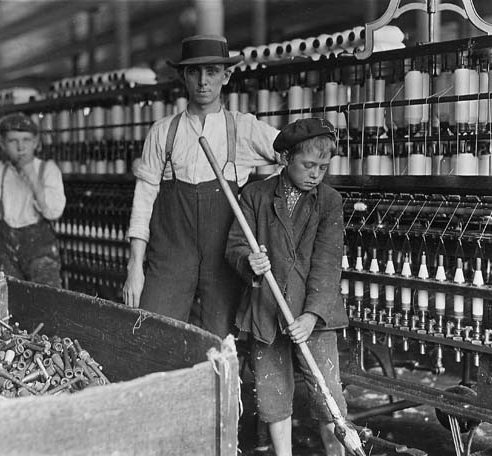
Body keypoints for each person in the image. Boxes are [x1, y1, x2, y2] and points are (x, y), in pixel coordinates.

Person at [122, 34, 280, 338]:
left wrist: (261, 193)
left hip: (223, 258)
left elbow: (294, 152)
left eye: (211, 72)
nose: (203, 82)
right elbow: (143, 202)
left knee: (220, 343)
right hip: (171, 255)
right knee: (153, 332)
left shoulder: (243, 128)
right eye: (194, 72)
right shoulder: (162, 132)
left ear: (226, 75)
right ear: (183, 76)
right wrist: (134, 268)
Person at [225, 118, 349, 456]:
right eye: (308, 165)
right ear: (285, 159)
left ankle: (336, 452)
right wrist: (249, 261)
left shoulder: (329, 201)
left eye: (323, 167)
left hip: (315, 316)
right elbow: (235, 245)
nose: (315, 174)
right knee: (273, 395)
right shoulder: (255, 195)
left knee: (328, 395)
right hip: (267, 309)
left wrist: (312, 315)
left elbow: (327, 265)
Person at [0, 113, 66, 288]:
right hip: (6, 252)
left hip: (40, 251)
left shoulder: (48, 170)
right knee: (9, 300)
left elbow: (54, 212)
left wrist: (33, 179)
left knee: (47, 299)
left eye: (26, 140)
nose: (21, 147)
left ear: (36, 143)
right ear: (3, 144)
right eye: (13, 141)